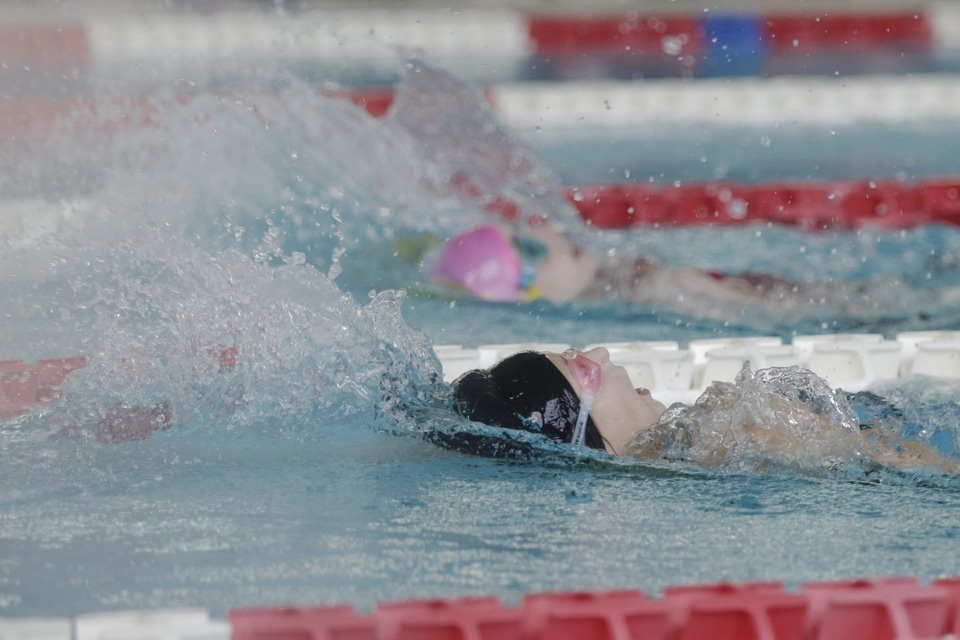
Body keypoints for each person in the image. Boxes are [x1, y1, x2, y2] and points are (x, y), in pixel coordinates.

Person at [446, 346, 960, 476]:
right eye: (584, 367)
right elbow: (909, 464)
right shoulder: (730, 422)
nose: (603, 353)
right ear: (587, 432)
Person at [424, 221, 957, 322]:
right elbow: (774, 314)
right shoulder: (650, 289)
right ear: (531, 294)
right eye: (529, 253)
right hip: (853, 307)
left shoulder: (621, 277)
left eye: (524, 229)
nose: (547, 236)